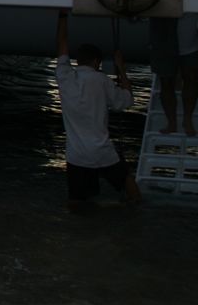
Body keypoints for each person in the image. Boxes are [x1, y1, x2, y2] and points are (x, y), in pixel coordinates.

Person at [54, 11, 141, 210]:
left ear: (78, 61)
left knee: (76, 202)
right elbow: (127, 101)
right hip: (101, 150)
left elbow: (62, 44)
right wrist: (121, 67)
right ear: (96, 62)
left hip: (75, 154)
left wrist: (62, 18)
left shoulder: (65, 77)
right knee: (130, 188)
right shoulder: (101, 80)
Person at [150, 15, 198, 136]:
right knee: (166, 82)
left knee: (191, 78)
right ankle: (172, 123)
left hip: (192, 43)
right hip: (164, 44)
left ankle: (187, 120)